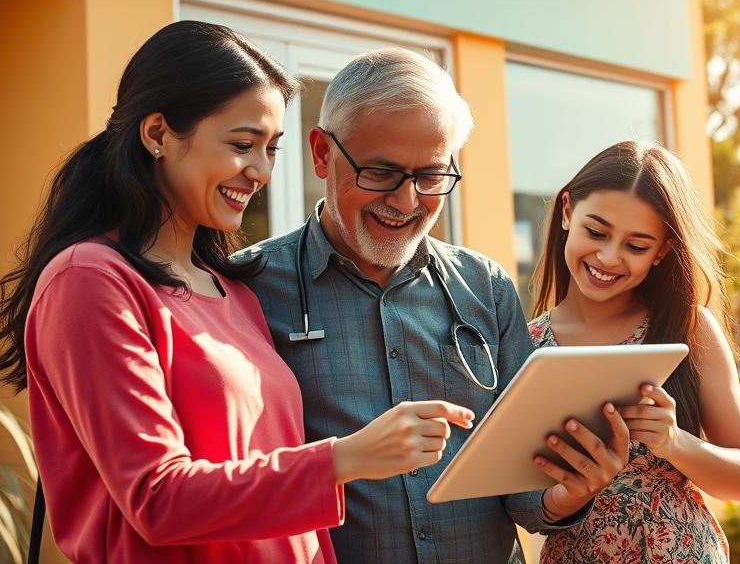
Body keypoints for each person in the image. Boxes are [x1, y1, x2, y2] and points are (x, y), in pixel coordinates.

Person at [0, 21, 476, 563]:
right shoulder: (91, 280)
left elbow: (286, 517)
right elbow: (156, 498)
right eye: (242, 144)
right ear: (158, 135)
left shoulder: (233, 289)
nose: (260, 171)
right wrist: (343, 458)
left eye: (271, 149)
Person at [238, 49, 631, 564]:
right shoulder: (247, 288)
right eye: (380, 173)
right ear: (321, 153)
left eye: (431, 176)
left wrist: (564, 496)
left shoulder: (485, 286)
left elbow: (523, 483)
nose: (406, 202)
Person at [527, 141, 740, 564]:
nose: (608, 256)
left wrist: (674, 442)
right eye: (596, 232)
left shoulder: (689, 329)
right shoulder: (526, 347)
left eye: (636, 246)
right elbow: (521, 498)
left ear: (662, 251)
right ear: (567, 211)